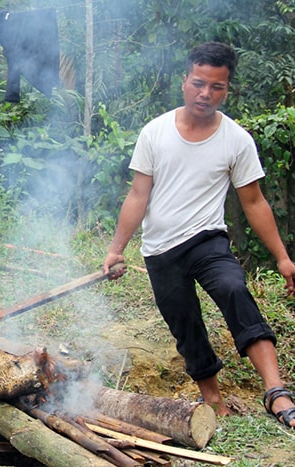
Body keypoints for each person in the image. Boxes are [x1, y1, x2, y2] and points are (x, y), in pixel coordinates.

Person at [103, 41, 295, 428]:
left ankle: (277, 393)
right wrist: (115, 249)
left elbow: (254, 202)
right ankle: (213, 398)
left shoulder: (236, 140)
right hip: (160, 249)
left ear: (228, 89)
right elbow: (138, 194)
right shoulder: (155, 132)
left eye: (216, 87)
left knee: (234, 288)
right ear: (184, 81)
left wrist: (283, 257)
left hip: (207, 240)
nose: (205, 94)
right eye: (198, 83)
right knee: (183, 322)